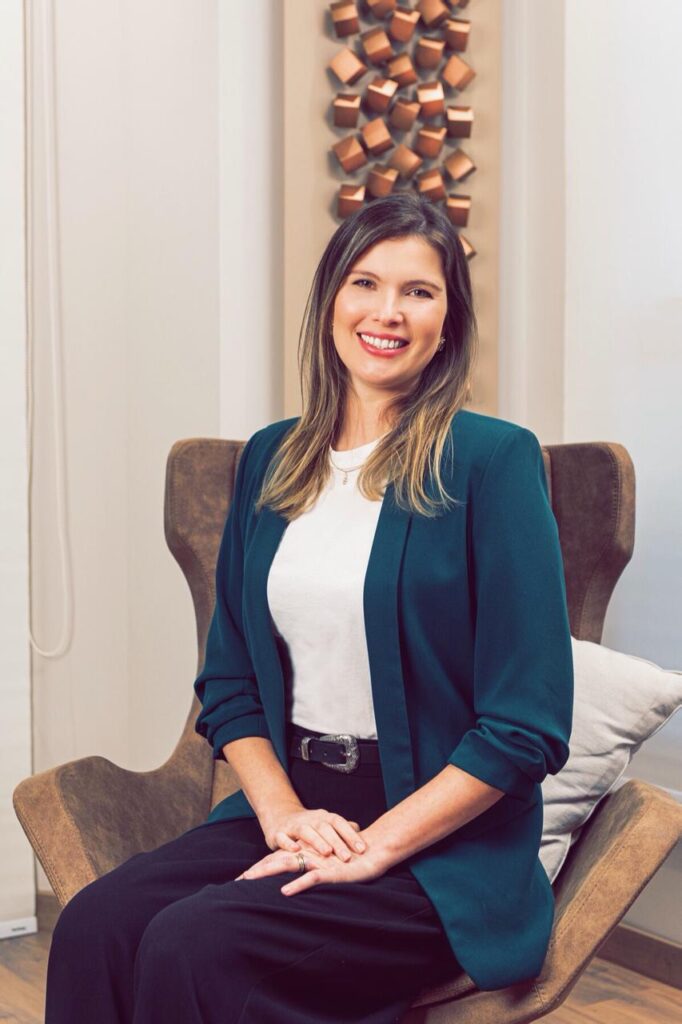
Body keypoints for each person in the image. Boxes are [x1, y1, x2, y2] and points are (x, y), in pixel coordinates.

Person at [44, 191, 574, 1023]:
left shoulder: (492, 462)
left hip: (438, 850)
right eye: (365, 283)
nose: (387, 312)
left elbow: (526, 725)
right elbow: (229, 684)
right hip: (299, 808)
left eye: (418, 291)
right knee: (95, 925)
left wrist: (375, 848)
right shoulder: (271, 458)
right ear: (330, 300)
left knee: (194, 943)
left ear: (448, 322)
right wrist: (283, 813)